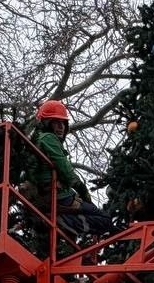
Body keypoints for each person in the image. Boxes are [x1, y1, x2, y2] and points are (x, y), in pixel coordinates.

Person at [17, 99, 115, 241]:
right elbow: (65, 169)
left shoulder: (36, 141)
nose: (61, 127)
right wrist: (83, 190)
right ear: (47, 123)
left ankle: (65, 222)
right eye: (56, 122)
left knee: (93, 216)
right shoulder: (48, 138)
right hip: (57, 195)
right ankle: (64, 222)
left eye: (63, 123)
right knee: (105, 219)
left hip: (48, 196)